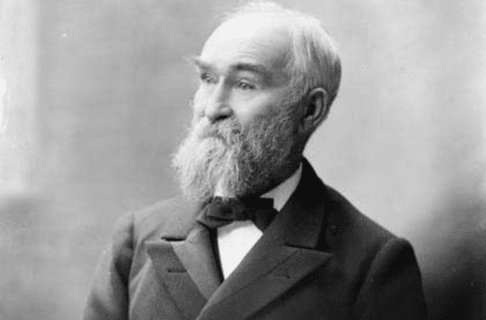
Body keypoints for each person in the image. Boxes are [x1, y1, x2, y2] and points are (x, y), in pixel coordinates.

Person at [83, 2, 428, 319]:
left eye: (245, 85)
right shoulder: (137, 239)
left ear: (309, 110)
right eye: (207, 79)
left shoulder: (373, 262)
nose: (213, 107)